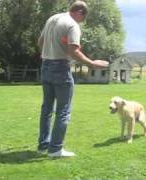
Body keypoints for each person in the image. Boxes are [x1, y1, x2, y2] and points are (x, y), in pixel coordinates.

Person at [37, 0, 109, 157]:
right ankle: (55, 149)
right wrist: (92, 64)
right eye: (83, 18)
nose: (81, 21)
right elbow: (73, 51)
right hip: (61, 68)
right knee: (63, 110)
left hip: (46, 66)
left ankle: (43, 145)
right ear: (80, 13)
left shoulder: (53, 18)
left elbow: (40, 42)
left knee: (47, 108)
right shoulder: (72, 25)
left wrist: (50, 53)